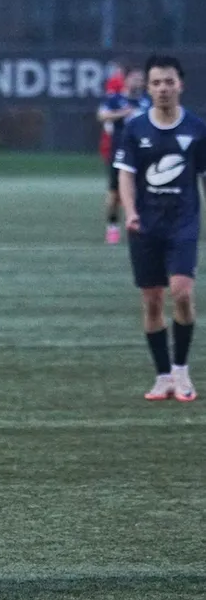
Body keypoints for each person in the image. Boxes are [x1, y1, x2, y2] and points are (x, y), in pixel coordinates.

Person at [114, 55, 206, 402]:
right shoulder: (135, 128)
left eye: (169, 82)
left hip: (182, 224)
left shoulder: (196, 129)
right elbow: (126, 173)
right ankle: (163, 376)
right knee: (152, 302)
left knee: (182, 292)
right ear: (148, 87)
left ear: (180, 84)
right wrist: (131, 211)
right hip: (146, 226)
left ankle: (182, 370)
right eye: (156, 83)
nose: (163, 88)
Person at [97, 66, 149, 245]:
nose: (138, 82)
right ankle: (112, 226)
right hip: (119, 153)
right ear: (125, 80)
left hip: (143, 153)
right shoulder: (115, 99)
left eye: (141, 79)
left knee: (144, 191)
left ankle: (140, 225)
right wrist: (122, 113)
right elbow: (102, 116)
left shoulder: (147, 101)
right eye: (135, 78)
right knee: (114, 194)